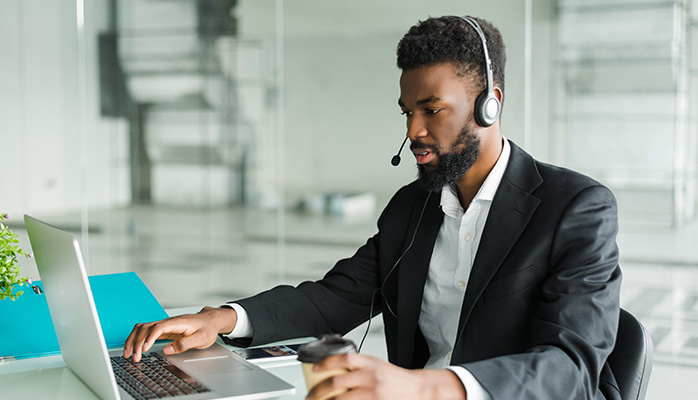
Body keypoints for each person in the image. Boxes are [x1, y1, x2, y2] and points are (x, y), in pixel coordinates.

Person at [124, 15, 622, 400]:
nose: (413, 132)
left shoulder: (576, 208)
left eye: (432, 109)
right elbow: (337, 296)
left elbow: (570, 369)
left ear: (489, 103)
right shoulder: (413, 205)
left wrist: (426, 387)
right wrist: (222, 319)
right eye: (408, 113)